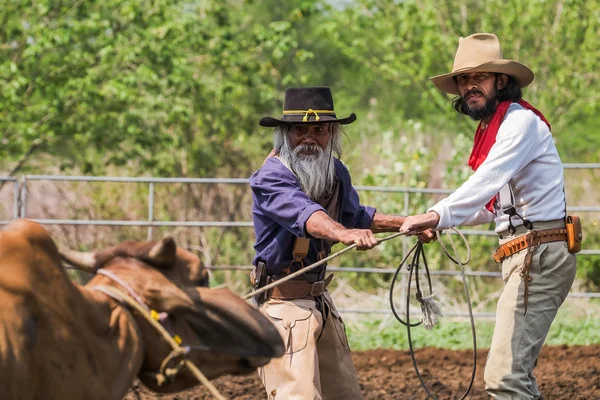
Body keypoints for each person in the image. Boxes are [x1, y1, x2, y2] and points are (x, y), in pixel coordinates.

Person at [400, 33, 577, 399]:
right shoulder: (498, 126)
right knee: (515, 376)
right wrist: (444, 220)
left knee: (504, 378)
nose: (469, 86)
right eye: (463, 80)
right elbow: (492, 202)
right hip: (528, 252)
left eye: (478, 77)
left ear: (500, 80)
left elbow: (488, 180)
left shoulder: (519, 124)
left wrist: (438, 215)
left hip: (538, 253)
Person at [250, 86, 429, 400]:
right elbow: (307, 216)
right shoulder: (270, 178)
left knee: (345, 395)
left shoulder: (334, 173)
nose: (309, 137)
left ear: (331, 132)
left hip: (320, 303)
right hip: (284, 308)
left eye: (318, 129)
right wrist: (343, 234)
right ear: (283, 134)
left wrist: (407, 223)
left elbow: (356, 216)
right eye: (299, 129)